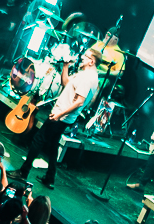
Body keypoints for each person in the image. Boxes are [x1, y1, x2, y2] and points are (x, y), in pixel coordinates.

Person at [21, 51, 101, 189]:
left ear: (91, 61)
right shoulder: (85, 75)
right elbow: (66, 84)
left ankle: (23, 172)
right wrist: (65, 66)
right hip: (64, 116)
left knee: (38, 139)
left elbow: (79, 102)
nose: (81, 57)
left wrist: (59, 114)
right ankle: (50, 178)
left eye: (85, 56)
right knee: (53, 146)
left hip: (61, 115)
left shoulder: (87, 78)